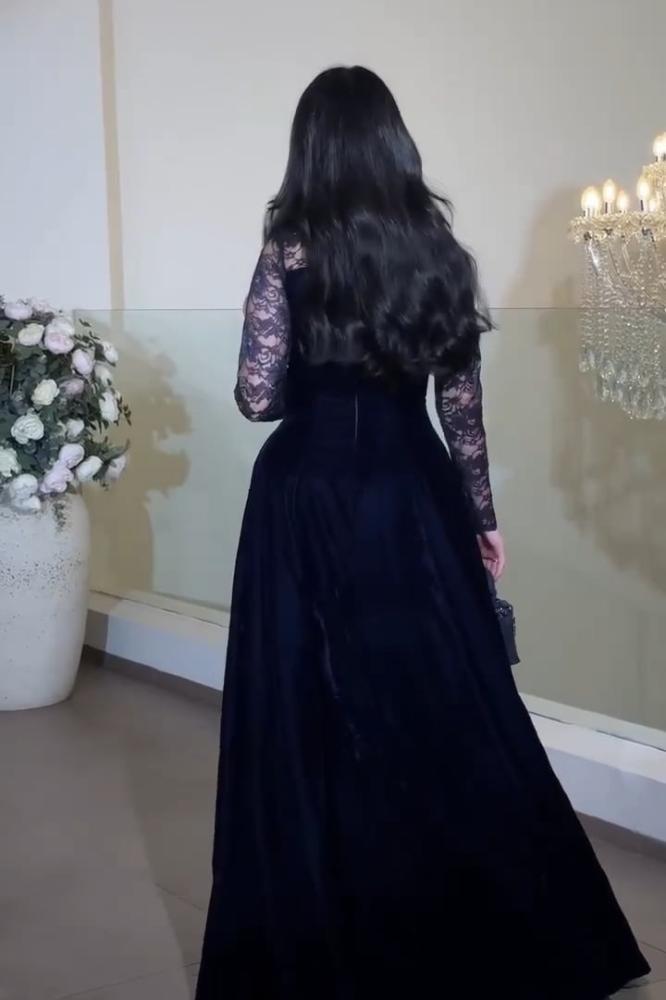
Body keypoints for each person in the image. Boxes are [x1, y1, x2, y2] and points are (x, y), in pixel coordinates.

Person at [196, 67, 649, 1000]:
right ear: (393, 142)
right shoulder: (439, 251)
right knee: (445, 707)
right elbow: (462, 408)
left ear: (311, 149)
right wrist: (482, 519)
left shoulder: (288, 250)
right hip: (413, 492)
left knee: (305, 710)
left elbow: (255, 396)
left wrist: (309, 369)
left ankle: (322, 937)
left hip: (305, 495)